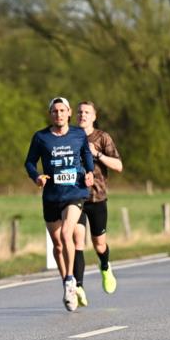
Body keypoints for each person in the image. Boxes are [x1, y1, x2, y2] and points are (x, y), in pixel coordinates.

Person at [25, 96, 95, 311]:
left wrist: (90, 171)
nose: (59, 114)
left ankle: (71, 280)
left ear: (69, 112)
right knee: (57, 244)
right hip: (52, 196)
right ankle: (66, 280)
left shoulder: (78, 134)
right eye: (55, 111)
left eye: (62, 110)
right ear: (51, 114)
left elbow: (85, 153)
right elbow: (29, 162)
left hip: (74, 192)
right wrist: (36, 176)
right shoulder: (41, 137)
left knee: (67, 234)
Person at [71, 101, 123, 306]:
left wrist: (97, 154)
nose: (82, 115)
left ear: (94, 116)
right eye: (80, 112)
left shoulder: (103, 138)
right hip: (75, 197)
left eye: (87, 112)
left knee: (99, 244)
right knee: (77, 241)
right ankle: (79, 287)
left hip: (97, 198)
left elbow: (119, 165)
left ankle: (105, 266)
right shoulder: (71, 137)